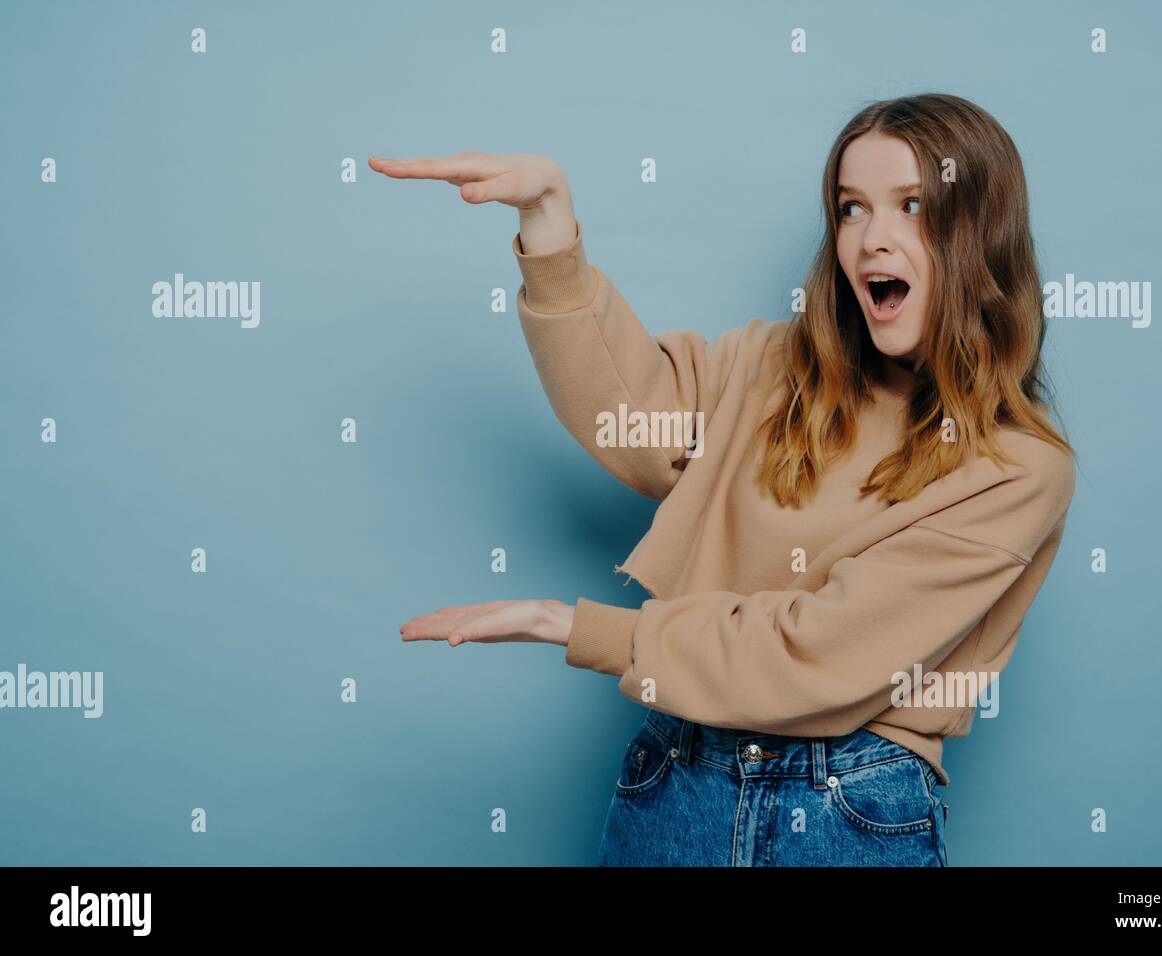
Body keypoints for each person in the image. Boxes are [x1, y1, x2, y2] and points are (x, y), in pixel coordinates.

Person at [375, 92, 1077, 867]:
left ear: (981, 229)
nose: (873, 239)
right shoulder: (770, 365)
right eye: (851, 209)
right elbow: (631, 419)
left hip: (850, 811)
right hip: (676, 780)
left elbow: (818, 655)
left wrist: (577, 627)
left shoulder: (1017, 469)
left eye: (912, 206)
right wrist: (548, 225)